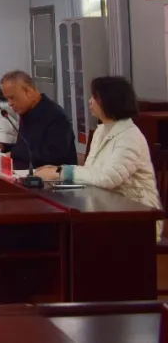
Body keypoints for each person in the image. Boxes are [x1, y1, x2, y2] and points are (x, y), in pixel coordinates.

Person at [34, 76, 163, 239]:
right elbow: (91, 172)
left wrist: (61, 172)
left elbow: (108, 178)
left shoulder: (130, 136)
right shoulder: (101, 130)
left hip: (138, 217)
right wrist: (55, 172)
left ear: (110, 101)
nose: (89, 102)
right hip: (107, 209)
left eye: (94, 97)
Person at [0, 70, 77, 170]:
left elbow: (54, 155)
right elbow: (28, 147)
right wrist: (4, 147)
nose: (9, 103)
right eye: (7, 99)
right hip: (26, 173)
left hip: (54, 176)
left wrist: (13, 153)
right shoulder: (26, 113)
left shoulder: (56, 115)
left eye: (12, 98)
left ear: (28, 92)